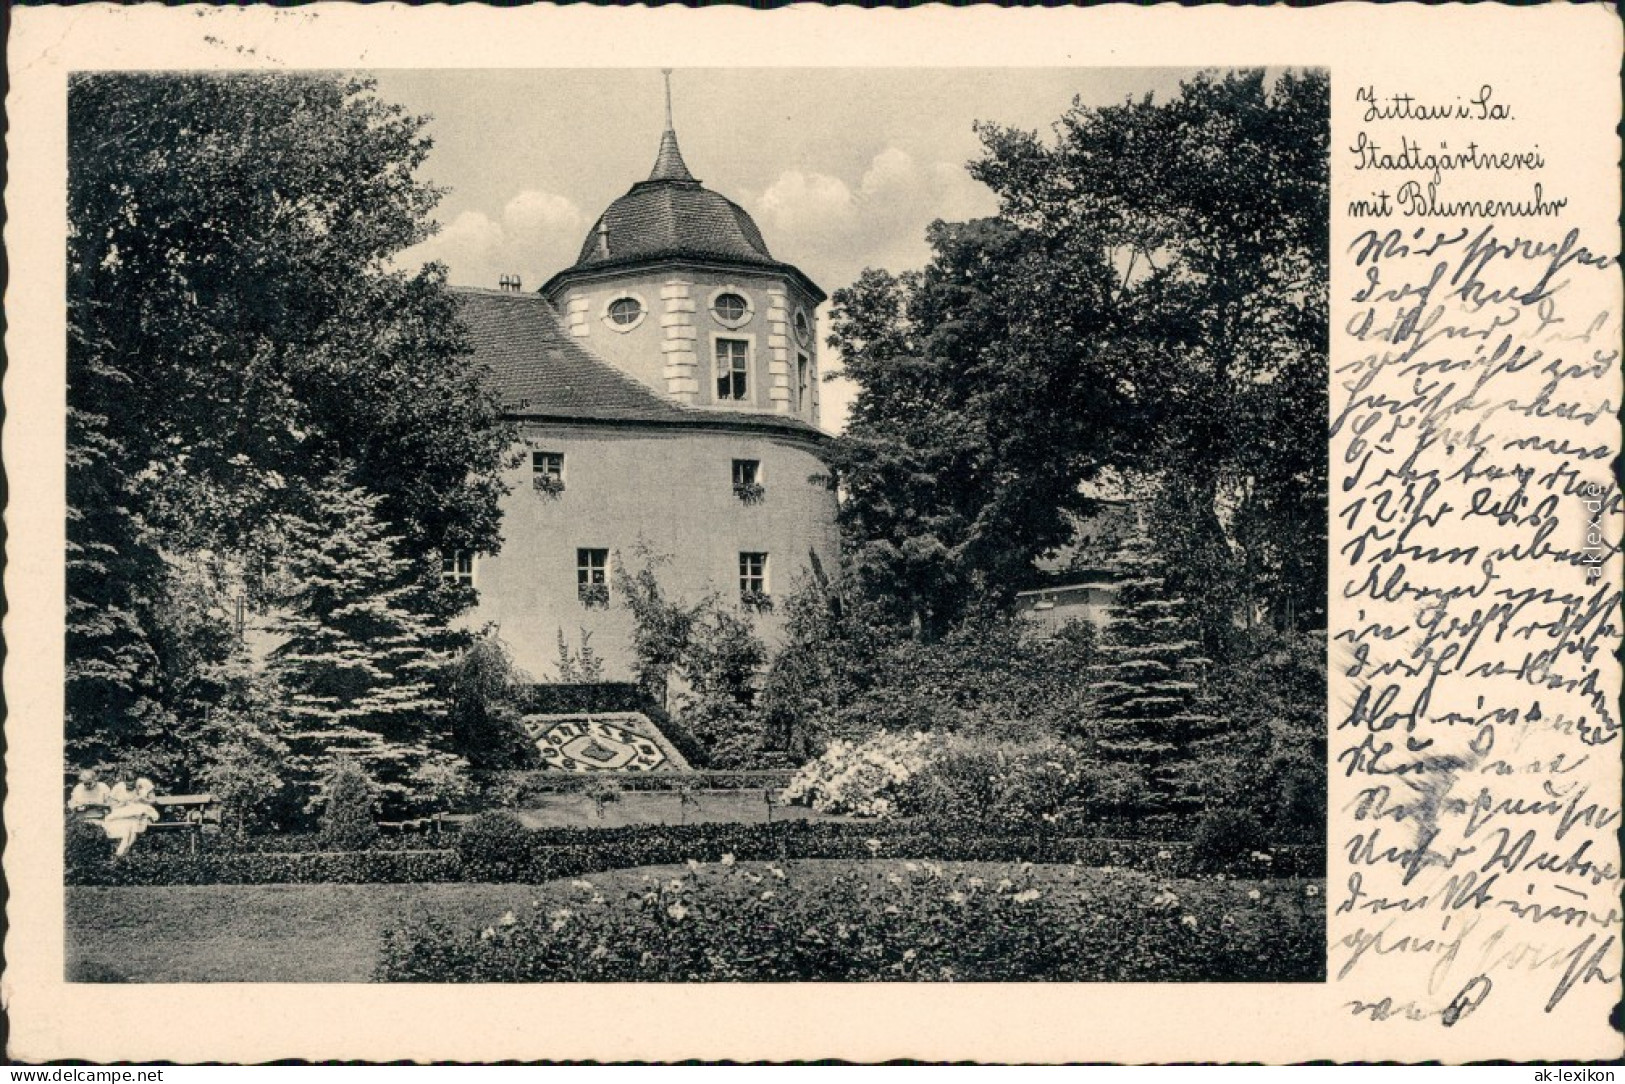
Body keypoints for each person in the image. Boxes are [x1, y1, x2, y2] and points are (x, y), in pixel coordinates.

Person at [103, 776, 161, 856]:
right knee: (126, 825)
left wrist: (143, 800)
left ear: (136, 781)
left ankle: (124, 849)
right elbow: (111, 803)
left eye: (132, 784)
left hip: (140, 810)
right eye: (127, 784)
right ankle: (124, 846)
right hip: (126, 812)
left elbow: (154, 801)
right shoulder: (119, 786)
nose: (129, 786)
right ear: (124, 781)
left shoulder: (144, 783)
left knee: (133, 823)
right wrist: (121, 803)